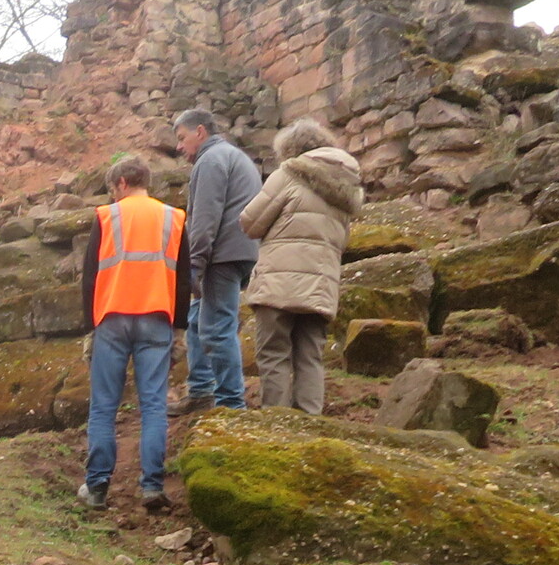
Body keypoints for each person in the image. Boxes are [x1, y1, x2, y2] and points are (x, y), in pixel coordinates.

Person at [75, 154, 190, 513]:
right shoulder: (174, 217)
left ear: (122, 183)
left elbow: (90, 277)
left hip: (111, 318)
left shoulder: (106, 216)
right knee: (154, 405)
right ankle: (152, 486)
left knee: (104, 406)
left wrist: (89, 328)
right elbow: (183, 279)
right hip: (157, 319)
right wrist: (180, 329)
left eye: (113, 189)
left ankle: (97, 488)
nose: (112, 196)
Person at [240, 119, 362, 415]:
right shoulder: (348, 186)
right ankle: (310, 421)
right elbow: (342, 241)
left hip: (278, 282)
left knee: (274, 353)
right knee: (310, 357)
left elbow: (250, 223)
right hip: (320, 284)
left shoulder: (288, 174)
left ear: (289, 149)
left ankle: (277, 422)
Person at [171, 107, 260, 416]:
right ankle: (201, 390)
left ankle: (231, 404)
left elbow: (204, 218)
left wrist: (194, 265)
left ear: (200, 132)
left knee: (217, 329)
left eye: (182, 137)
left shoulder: (210, 160)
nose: (179, 146)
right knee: (198, 320)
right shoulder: (235, 156)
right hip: (240, 251)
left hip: (222, 255)